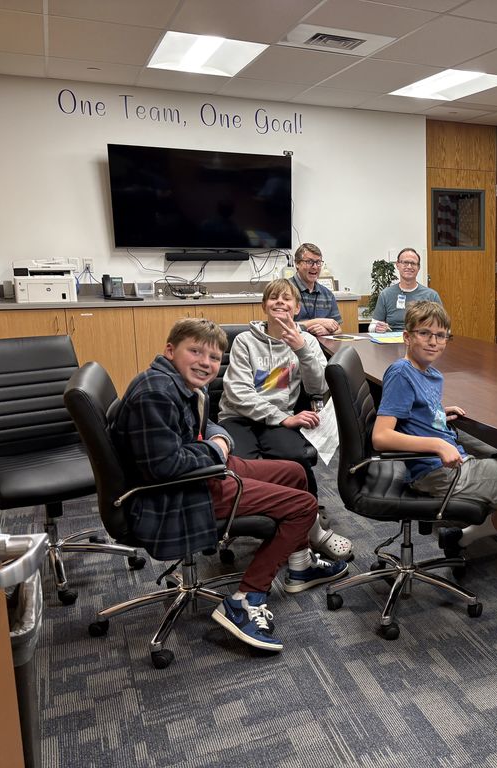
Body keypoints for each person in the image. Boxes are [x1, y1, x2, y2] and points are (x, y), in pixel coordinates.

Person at [112, 318, 348, 653]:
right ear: (170, 350)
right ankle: (245, 599)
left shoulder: (179, 383)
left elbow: (203, 424)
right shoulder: (156, 394)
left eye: (212, 357)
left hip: (199, 471)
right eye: (195, 352)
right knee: (303, 506)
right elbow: (165, 467)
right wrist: (215, 450)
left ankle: (300, 566)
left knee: (295, 472)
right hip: (179, 493)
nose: (205, 363)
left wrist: (218, 439)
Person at [372, 301, 497, 553]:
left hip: (451, 466)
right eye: (424, 333)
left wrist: (436, 414)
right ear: (407, 337)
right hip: (439, 473)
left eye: (441, 335)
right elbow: (381, 436)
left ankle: (460, 538)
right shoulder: (401, 373)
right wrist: (438, 444)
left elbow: (412, 411)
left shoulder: (430, 374)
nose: (433, 341)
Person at [218, 279, 353, 562]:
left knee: (294, 458)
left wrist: (302, 349)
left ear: (297, 308)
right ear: (264, 306)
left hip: (279, 420)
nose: (280, 302)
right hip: (239, 417)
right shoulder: (244, 341)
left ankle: (309, 522)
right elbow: (238, 393)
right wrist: (283, 418)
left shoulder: (308, 341)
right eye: (273, 298)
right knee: (243, 463)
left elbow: (319, 388)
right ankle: (261, 520)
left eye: (287, 298)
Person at [370, 247, 441, 332]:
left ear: (418, 267)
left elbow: (442, 326)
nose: (409, 266)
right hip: (392, 339)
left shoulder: (432, 296)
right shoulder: (385, 295)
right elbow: (372, 326)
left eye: (413, 263)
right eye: (405, 262)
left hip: (420, 338)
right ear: (398, 265)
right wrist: (377, 328)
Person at [290, 242, 342, 337]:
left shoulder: (327, 294)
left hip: (321, 345)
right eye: (309, 262)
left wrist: (327, 331)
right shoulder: (284, 290)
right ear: (297, 263)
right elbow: (281, 326)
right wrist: (318, 322)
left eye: (318, 262)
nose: (314, 267)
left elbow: (338, 328)